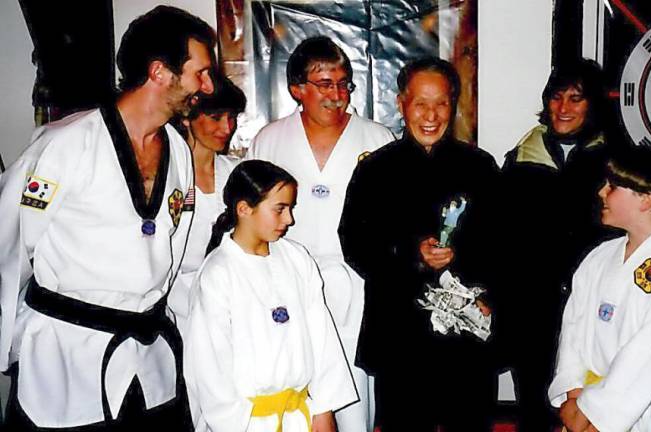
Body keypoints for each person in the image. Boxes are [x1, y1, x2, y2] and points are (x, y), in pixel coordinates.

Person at [0, 6, 215, 430]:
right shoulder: (66, 146)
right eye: (200, 73)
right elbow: (9, 246)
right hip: (66, 356)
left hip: (149, 354)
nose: (207, 86)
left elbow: (177, 257)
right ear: (159, 72)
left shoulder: (178, 152)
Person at [339, 57, 501, 432]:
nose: (431, 115)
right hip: (401, 335)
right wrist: (412, 254)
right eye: (420, 103)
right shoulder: (375, 170)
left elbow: (505, 242)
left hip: (465, 338)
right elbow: (354, 242)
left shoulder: (480, 167)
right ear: (401, 104)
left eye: (441, 103)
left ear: (453, 103)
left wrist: (467, 261)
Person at [246, 35, 394, 431]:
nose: (338, 95)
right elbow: (249, 221)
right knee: (293, 390)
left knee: (354, 396)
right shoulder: (270, 140)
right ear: (297, 89)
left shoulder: (377, 140)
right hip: (286, 286)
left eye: (344, 83)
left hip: (357, 287)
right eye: (325, 84)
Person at [184, 160, 357, 432]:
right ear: (244, 209)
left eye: (290, 208)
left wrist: (323, 410)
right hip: (248, 423)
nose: (289, 219)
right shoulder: (218, 273)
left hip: (301, 417)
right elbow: (209, 369)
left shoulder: (296, 259)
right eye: (280, 209)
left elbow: (323, 341)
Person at [499, 58, 618, 431]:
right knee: (533, 405)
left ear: (592, 104)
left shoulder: (615, 161)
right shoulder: (520, 160)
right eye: (556, 97)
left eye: (576, 99)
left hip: (593, 304)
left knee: (584, 404)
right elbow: (500, 235)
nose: (563, 108)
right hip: (532, 306)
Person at [548, 145, 651, 432]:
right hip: (581, 407)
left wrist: (594, 418)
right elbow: (573, 331)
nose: (602, 192)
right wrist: (574, 396)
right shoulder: (600, 256)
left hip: (636, 413)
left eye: (613, 186)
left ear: (645, 200)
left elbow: (649, 357)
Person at [168, 75, 246, 336]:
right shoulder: (169, 176)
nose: (227, 128)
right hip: (174, 311)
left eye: (232, 118)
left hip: (230, 308)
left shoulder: (237, 174)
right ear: (187, 117)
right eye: (216, 118)